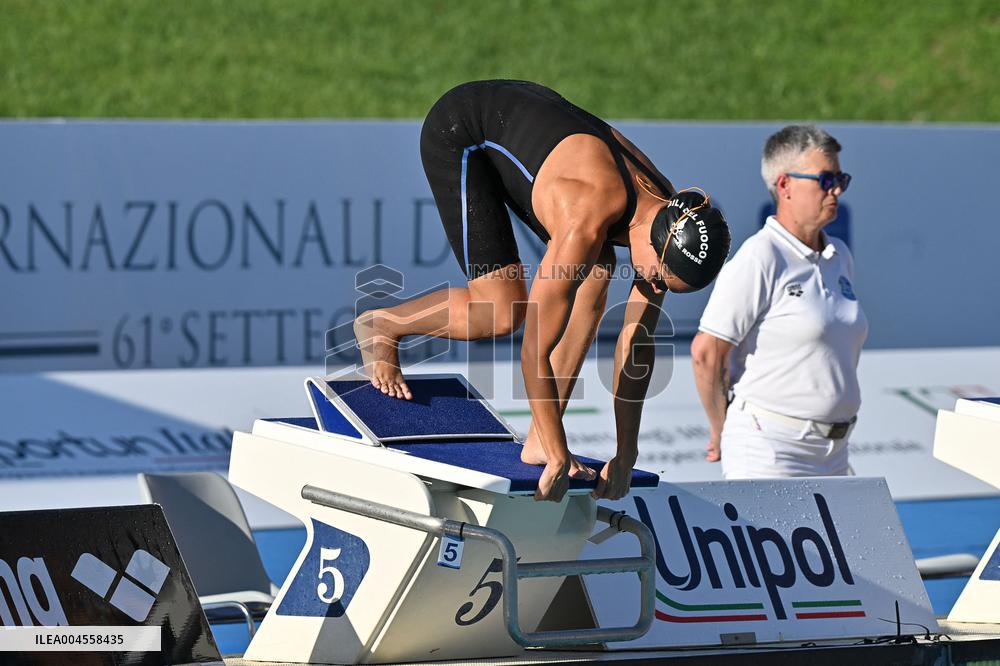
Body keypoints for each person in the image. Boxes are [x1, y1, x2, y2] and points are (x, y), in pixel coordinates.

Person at [354, 80, 730, 502]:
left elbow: (636, 344)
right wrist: (558, 453)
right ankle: (382, 325)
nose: (654, 286)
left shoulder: (666, 219)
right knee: (500, 311)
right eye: (660, 278)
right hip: (465, 131)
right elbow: (534, 347)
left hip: (534, 128)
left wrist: (626, 454)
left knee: (597, 272)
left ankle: (539, 437)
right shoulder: (586, 214)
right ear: (657, 242)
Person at [691, 125, 868, 478]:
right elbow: (707, 352)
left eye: (841, 179)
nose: (836, 190)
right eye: (825, 179)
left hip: (834, 451)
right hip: (770, 450)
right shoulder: (761, 255)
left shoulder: (839, 255)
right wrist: (720, 427)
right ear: (784, 185)